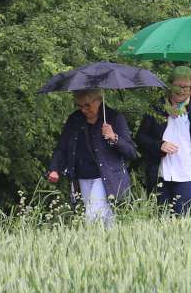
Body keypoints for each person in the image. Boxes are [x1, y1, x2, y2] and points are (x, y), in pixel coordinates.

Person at [47, 88, 138, 226]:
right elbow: (62, 147)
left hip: (106, 177)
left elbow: (131, 152)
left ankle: (90, 244)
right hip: (82, 177)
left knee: (92, 218)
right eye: (80, 106)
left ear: (99, 101)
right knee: (107, 220)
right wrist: (54, 169)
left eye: (87, 105)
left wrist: (114, 137)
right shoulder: (74, 119)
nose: (84, 109)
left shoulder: (114, 117)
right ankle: (112, 245)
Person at [134, 68, 191, 215]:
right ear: (170, 85)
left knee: (182, 220)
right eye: (178, 86)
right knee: (161, 219)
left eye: (186, 87)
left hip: (188, 174)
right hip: (161, 174)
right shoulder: (157, 107)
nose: (181, 90)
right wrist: (160, 145)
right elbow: (140, 137)